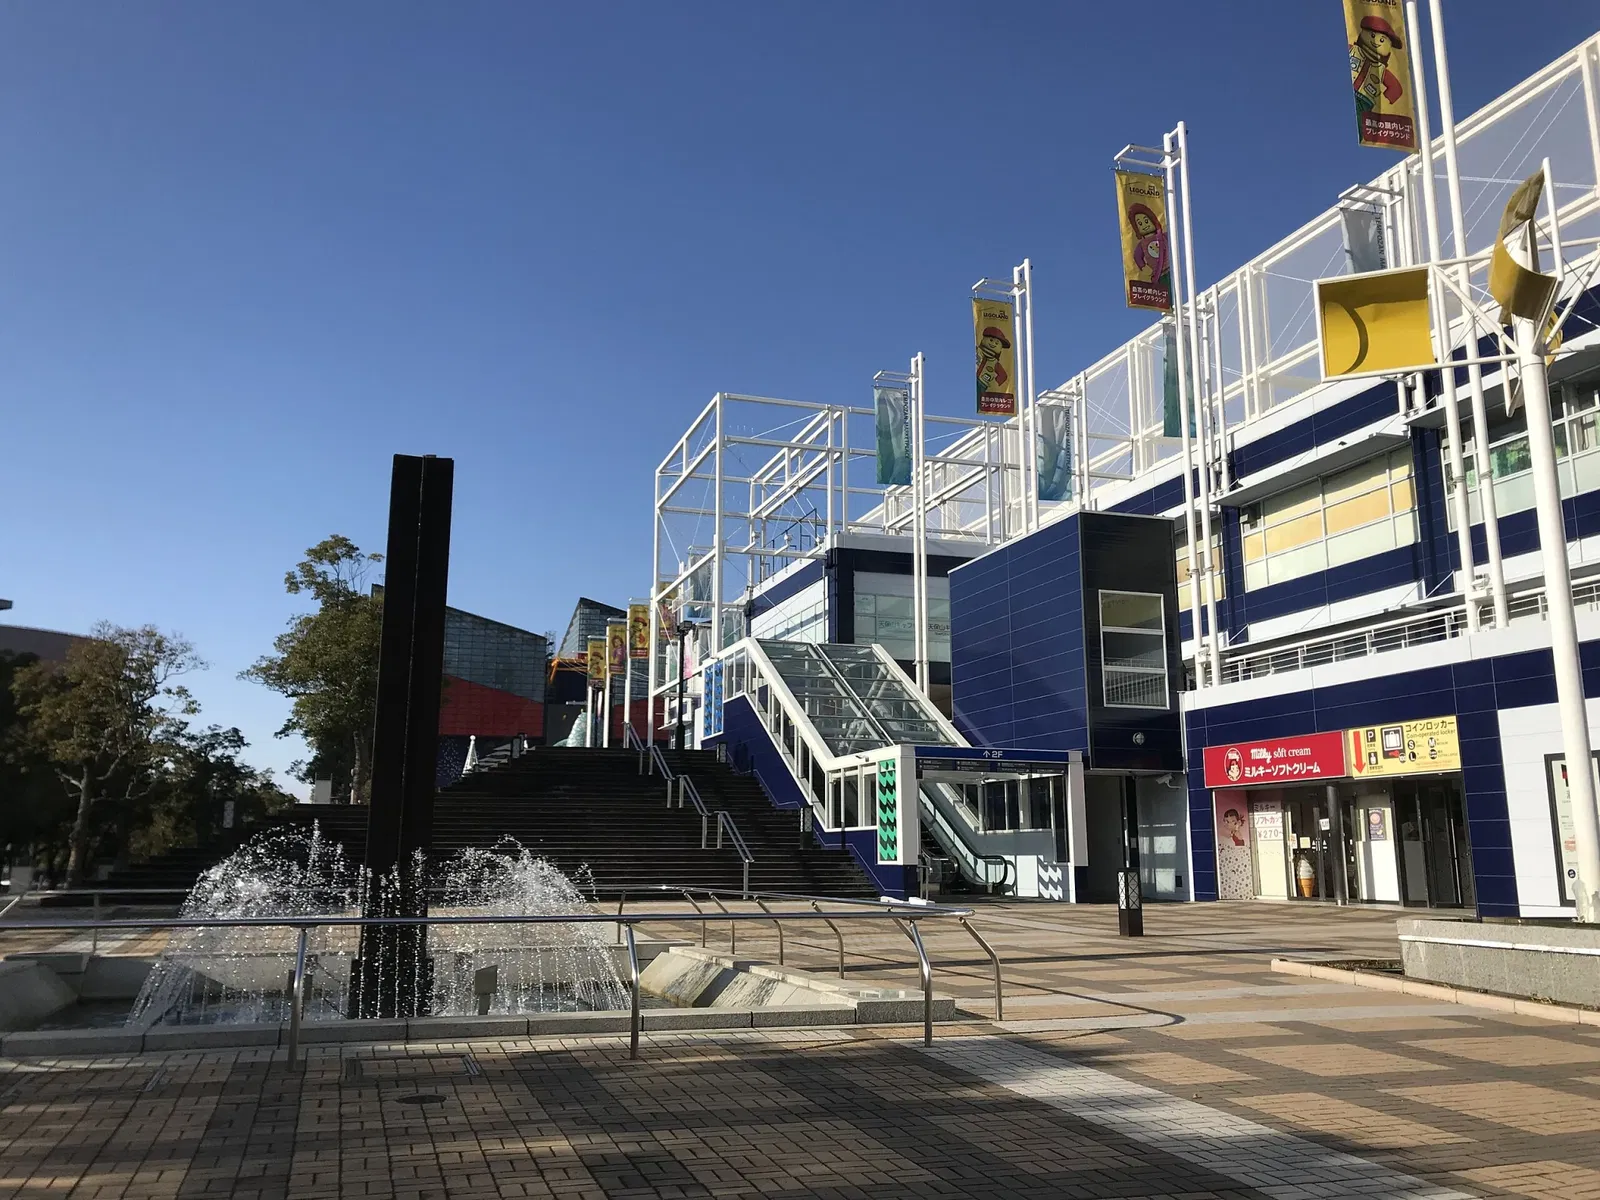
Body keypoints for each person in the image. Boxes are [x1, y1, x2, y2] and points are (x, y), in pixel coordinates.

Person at [1350, 14, 1404, 116]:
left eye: (1382, 40)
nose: (1377, 42)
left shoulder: (1381, 69)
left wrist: (1385, 101)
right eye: (1373, 36)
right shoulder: (1353, 51)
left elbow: (1396, 88)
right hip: (1350, 93)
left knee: (1362, 126)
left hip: (1366, 100)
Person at [1126, 203, 1170, 291]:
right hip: (1158, 276)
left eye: (1146, 221)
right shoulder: (1142, 245)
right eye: (1140, 224)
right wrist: (1143, 267)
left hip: (1171, 270)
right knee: (1164, 295)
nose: (1144, 225)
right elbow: (1137, 256)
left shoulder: (1163, 236)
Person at [976, 325, 1010, 402]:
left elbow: (1003, 375)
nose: (993, 344)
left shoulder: (994, 362)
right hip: (972, 382)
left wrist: (994, 384)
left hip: (983, 384)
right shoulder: (978, 352)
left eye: (997, 343)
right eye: (991, 340)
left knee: (980, 401)